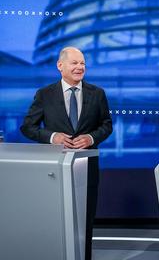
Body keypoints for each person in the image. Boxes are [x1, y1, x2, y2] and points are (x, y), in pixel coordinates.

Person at [21, 46, 113, 260]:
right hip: (54, 169)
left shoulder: (97, 94)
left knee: (85, 221)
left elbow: (106, 125)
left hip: (87, 169)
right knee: (56, 220)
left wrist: (91, 138)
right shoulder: (44, 95)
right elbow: (28, 127)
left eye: (83, 63)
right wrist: (53, 137)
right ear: (60, 66)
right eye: (75, 63)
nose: (80, 67)